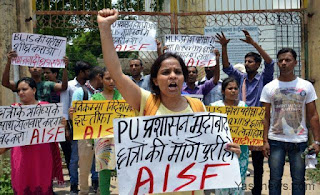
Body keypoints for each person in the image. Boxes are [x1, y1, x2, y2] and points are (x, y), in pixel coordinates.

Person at [97, 8, 241, 195]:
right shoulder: (145, 102)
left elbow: (209, 151)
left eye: (177, 72)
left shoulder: (197, 106)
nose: (172, 76)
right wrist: (104, 28)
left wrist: (229, 153)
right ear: (155, 80)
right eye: (165, 72)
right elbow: (116, 72)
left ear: (183, 78)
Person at [216, 30, 275, 195]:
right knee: (234, 155)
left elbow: (270, 63)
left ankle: (256, 190)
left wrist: (254, 44)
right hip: (236, 122)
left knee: (256, 161)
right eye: (245, 61)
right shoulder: (240, 78)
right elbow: (227, 67)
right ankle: (230, 187)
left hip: (255, 123)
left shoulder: (264, 78)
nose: (247, 63)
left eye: (250, 61)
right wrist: (224, 47)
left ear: (257, 64)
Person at [261, 48, 320, 195]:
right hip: (275, 140)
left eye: (287, 60)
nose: (283, 63)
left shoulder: (306, 86)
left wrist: (317, 141)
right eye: (280, 60)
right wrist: (264, 141)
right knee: (274, 179)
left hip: (299, 140)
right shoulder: (269, 87)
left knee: (299, 180)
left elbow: (313, 116)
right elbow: (264, 116)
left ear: (295, 63)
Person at [0, 77, 64, 194]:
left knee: (42, 186)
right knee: (21, 186)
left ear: (34, 90)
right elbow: (8, 138)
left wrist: (62, 124)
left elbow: (55, 132)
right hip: (21, 157)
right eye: (18, 90)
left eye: (24, 89)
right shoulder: (14, 110)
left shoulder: (46, 108)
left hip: (42, 157)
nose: (20, 93)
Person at [210, 77, 249, 195]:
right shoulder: (215, 107)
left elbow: (249, 129)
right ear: (223, 91)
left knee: (238, 184)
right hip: (220, 152)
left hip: (241, 152)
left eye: (236, 88)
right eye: (230, 88)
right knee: (221, 184)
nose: (233, 91)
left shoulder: (244, 107)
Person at [60, 61, 92, 194]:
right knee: (74, 158)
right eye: (87, 71)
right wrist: (66, 128)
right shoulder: (70, 86)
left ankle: (92, 182)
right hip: (75, 128)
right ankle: (74, 184)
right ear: (81, 72)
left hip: (90, 128)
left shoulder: (90, 87)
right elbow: (65, 106)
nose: (89, 73)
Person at [72, 66, 105, 195]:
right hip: (85, 136)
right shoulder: (80, 92)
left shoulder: (102, 94)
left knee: (101, 166)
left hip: (101, 134)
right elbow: (74, 115)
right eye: (105, 77)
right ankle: (84, 191)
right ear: (98, 77)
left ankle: (100, 189)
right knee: (84, 167)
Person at [91, 69, 122, 195]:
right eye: (108, 78)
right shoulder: (95, 99)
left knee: (125, 171)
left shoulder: (122, 96)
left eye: (114, 78)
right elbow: (89, 119)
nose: (111, 81)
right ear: (101, 79)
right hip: (102, 139)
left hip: (121, 138)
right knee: (104, 172)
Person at [2, 51, 69, 103]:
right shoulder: (22, 84)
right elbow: (5, 83)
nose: (35, 68)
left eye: (38, 66)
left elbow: (63, 87)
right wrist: (9, 62)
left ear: (42, 69)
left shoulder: (48, 84)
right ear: (29, 69)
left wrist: (65, 68)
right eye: (32, 66)